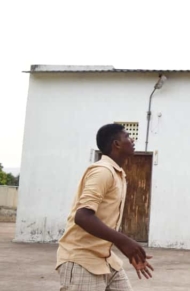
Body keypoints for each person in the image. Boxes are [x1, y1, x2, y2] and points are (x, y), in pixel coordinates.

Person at [56, 123, 154, 291]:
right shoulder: (102, 171)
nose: (132, 140)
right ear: (116, 144)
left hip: (105, 259)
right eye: (128, 137)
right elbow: (83, 216)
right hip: (82, 260)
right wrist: (123, 241)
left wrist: (124, 247)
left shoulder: (118, 173)